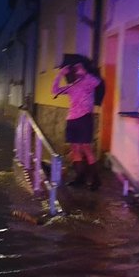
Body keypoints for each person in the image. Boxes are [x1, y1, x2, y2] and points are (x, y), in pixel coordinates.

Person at [52, 59, 102, 190]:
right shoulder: (72, 86)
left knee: (86, 147)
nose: (77, 70)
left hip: (84, 118)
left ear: (85, 69)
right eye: (75, 68)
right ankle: (80, 177)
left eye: (79, 67)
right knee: (75, 149)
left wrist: (85, 73)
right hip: (72, 119)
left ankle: (96, 180)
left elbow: (97, 82)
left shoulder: (88, 82)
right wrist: (60, 74)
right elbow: (54, 90)